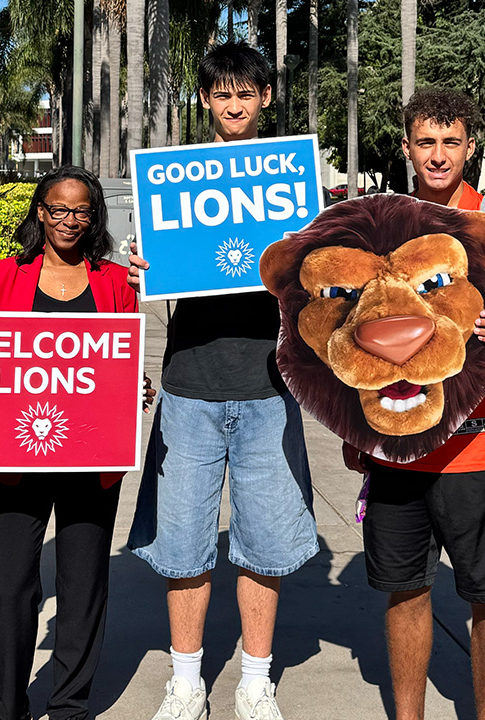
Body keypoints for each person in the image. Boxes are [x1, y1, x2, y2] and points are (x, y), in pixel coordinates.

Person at [126, 41, 319, 720]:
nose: (233, 105)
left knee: (263, 541)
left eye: (246, 93)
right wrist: (143, 263)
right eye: (221, 94)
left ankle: (256, 680)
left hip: (271, 387)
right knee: (183, 544)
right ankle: (186, 683)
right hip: (188, 386)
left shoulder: (293, 182)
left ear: (264, 98)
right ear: (205, 100)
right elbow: (155, 274)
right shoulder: (173, 184)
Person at [344, 88, 485, 720]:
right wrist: (357, 428)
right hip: (396, 446)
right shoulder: (377, 226)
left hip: (478, 447)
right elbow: (345, 335)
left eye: (451, 141)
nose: (438, 155)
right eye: (425, 142)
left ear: (471, 147)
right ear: (406, 147)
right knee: (404, 594)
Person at [0, 165, 151, 720]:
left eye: (81, 211)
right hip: (14, 457)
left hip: (91, 459)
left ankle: (70, 705)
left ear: (93, 217)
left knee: (83, 587)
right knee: (10, 586)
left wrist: (134, 386)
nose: (69, 220)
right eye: (58, 209)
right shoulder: (3, 279)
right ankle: (8, 703)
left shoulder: (117, 283)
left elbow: (121, 358)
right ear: (40, 213)